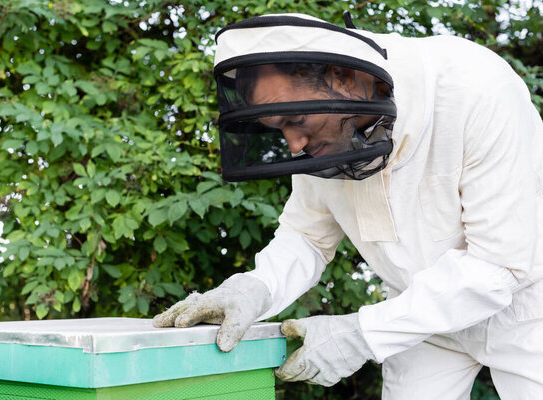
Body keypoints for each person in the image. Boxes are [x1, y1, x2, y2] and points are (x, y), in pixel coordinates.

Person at [154, 12, 543, 399]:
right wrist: (256, 287)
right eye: (280, 130)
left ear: (340, 77)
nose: (294, 145)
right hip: (417, 318)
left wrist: (360, 334)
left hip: (527, 308)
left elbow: (499, 264)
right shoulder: (320, 138)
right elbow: (307, 236)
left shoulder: (475, 87)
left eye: (299, 119)